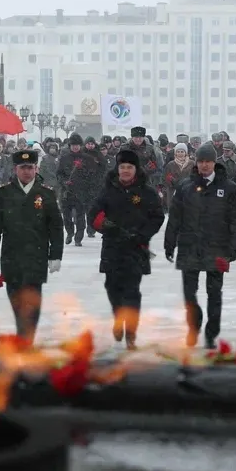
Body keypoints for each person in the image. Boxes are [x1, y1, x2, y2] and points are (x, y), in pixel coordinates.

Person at [163, 143, 236, 349]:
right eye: (201, 161)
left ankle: (211, 332)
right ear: (196, 162)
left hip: (217, 248)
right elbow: (175, 217)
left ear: (214, 162)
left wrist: (234, 247)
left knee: (214, 294)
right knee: (189, 294)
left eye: (208, 161)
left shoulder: (228, 188)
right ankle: (193, 325)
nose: (205, 165)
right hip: (190, 246)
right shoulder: (185, 186)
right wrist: (169, 243)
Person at [0, 148, 64, 345]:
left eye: (30, 167)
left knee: (32, 297)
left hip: (36, 254)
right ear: (15, 169)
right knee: (15, 296)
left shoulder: (46, 194)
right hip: (11, 254)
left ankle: (26, 337)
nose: (27, 172)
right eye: (23, 168)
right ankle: (23, 331)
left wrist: (56, 255)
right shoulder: (4, 193)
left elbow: (55, 227)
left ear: (36, 169)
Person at [87, 149, 165, 349]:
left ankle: (131, 333)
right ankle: (118, 318)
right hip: (113, 247)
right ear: (117, 168)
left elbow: (157, 216)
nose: (125, 171)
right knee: (112, 288)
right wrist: (105, 225)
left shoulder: (147, 192)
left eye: (129, 167)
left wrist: (142, 234)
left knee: (132, 292)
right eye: (122, 167)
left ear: (135, 169)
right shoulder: (108, 191)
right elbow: (93, 215)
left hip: (136, 248)